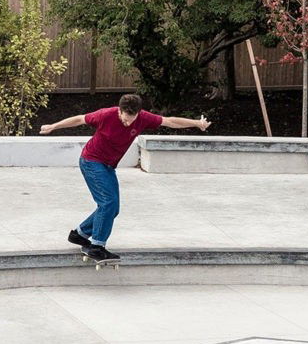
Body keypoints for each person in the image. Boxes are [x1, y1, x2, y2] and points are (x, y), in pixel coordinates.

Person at [39, 94, 210, 261]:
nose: (127, 123)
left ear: (138, 113)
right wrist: (53, 126)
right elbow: (79, 119)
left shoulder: (143, 118)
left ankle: (79, 234)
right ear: (119, 111)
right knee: (108, 203)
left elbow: (170, 121)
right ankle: (97, 247)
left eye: (131, 119)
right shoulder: (105, 115)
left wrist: (197, 123)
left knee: (113, 208)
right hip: (91, 161)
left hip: (108, 166)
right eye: (124, 118)